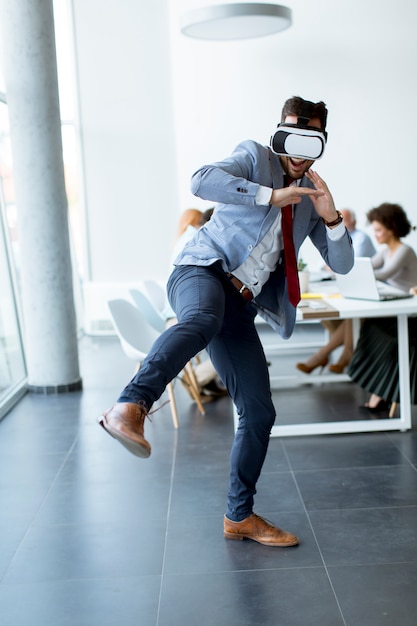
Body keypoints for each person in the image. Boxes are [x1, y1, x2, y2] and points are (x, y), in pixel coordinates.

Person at [97, 96, 354, 547]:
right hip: (201, 271)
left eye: (310, 141)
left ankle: (239, 516)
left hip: (241, 304)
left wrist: (330, 215)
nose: (298, 151)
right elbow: (202, 180)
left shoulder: (312, 200)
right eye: (292, 138)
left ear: (319, 145)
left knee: (258, 410)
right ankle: (129, 406)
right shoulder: (255, 158)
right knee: (200, 320)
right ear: (280, 133)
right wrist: (270, 196)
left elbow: (344, 263)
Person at [347, 203, 417, 412]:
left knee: (375, 330)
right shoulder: (387, 250)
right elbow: (367, 263)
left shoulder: (404, 251)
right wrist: (346, 267)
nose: (375, 235)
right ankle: (379, 391)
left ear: (392, 228)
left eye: (378, 230)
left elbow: (383, 273)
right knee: (372, 326)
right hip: (399, 310)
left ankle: (379, 391)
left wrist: (350, 271)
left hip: (411, 316)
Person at [296, 208, 376, 374]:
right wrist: (335, 264)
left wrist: (336, 264)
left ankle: (328, 355)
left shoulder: (361, 238)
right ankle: (345, 352)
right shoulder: (335, 237)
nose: (340, 223)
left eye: (344, 220)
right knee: (329, 314)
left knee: (351, 316)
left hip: (364, 292)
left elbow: (349, 267)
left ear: (353, 222)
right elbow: (324, 264)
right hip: (344, 287)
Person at [163, 207, 227, 400]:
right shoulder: (197, 240)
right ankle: (196, 380)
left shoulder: (185, 238)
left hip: (174, 310)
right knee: (233, 340)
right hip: (181, 314)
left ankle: (206, 381)